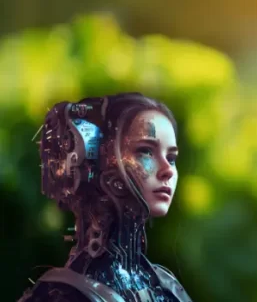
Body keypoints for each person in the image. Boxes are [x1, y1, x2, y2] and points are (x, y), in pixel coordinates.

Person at [17, 93, 192, 302]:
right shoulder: (64, 294)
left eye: (171, 158)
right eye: (146, 151)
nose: (168, 170)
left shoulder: (166, 286)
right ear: (101, 159)